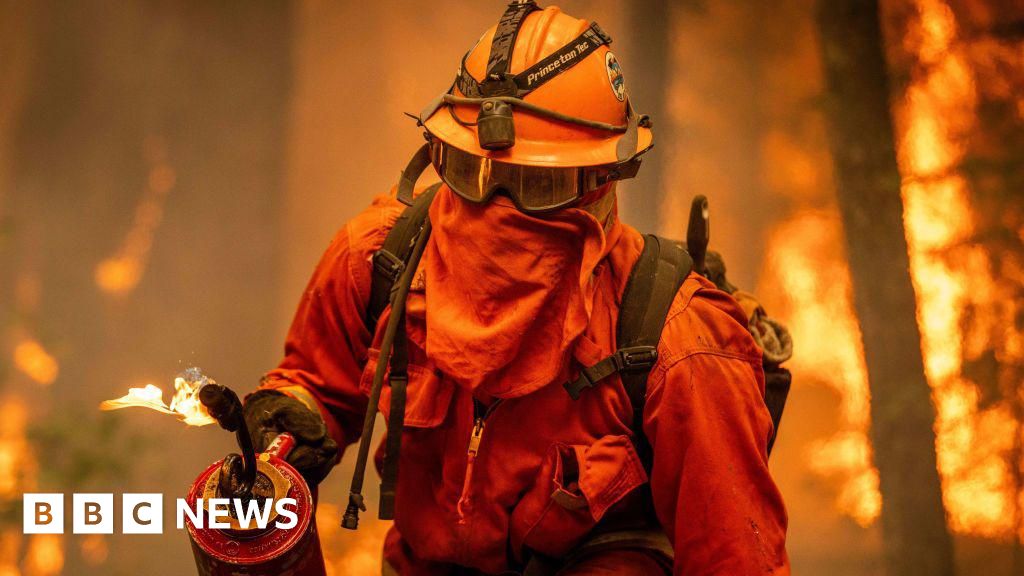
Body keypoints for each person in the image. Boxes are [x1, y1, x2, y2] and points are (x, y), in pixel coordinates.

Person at [240, 2, 790, 574]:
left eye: (535, 183)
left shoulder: (681, 343)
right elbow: (317, 384)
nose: (496, 206)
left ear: (601, 181)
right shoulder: (383, 258)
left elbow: (735, 558)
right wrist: (289, 417)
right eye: (472, 172)